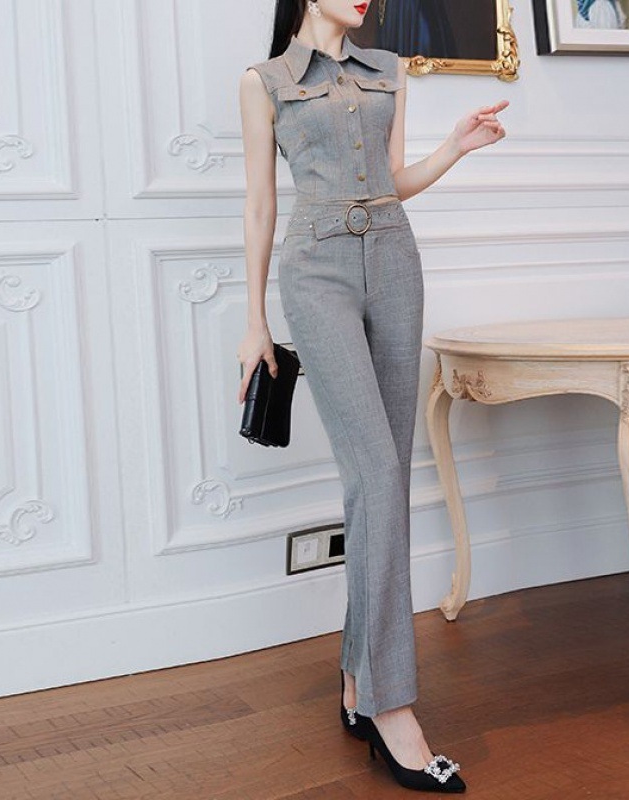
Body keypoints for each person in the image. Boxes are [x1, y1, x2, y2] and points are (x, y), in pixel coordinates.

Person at [237, 0, 507, 792]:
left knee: (380, 481)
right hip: (316, 272)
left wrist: (454, 147)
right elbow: (260, 204)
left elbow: (394, 183)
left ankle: (359, 680)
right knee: (378, 474)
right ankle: (393, 707)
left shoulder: (387, 70)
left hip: (394, 263)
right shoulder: (263, 81)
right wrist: (253, 322)